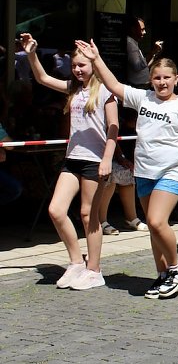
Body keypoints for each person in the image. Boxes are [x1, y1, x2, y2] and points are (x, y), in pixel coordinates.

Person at [75, 39, 178, 299]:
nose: (162, 82)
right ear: (151, 79)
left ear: (177, 79)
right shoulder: (144, 98)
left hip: (171, 172)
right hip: (144, 172)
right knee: (153, 228)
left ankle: (176, 266)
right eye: (157, 77)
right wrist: (95, 59)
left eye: (167, 78)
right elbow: (114, 86)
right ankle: (162, 274)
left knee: (156, 220)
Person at [22, 33, 118, 291]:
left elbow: (113, 127)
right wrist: (31, 53)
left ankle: (95, 269)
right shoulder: (74, 89)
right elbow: (42, 78)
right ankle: (76, 261)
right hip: (72, 158)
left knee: (89, 215)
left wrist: (108, 158)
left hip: (95, 160)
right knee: (56, 209)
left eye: (82, 65)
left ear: (93, 65)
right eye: (74, 65)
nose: (77, 69)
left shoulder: (107, 91)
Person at [126, 17, 162, 89]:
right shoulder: (130, 44)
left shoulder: (134, 43)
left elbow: (144, 65)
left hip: (143, 85)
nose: (145, 32)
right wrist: (152, 52)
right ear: (133, 29)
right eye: (142, 29)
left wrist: (155, 54)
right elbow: (138, 66)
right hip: (138, 86)